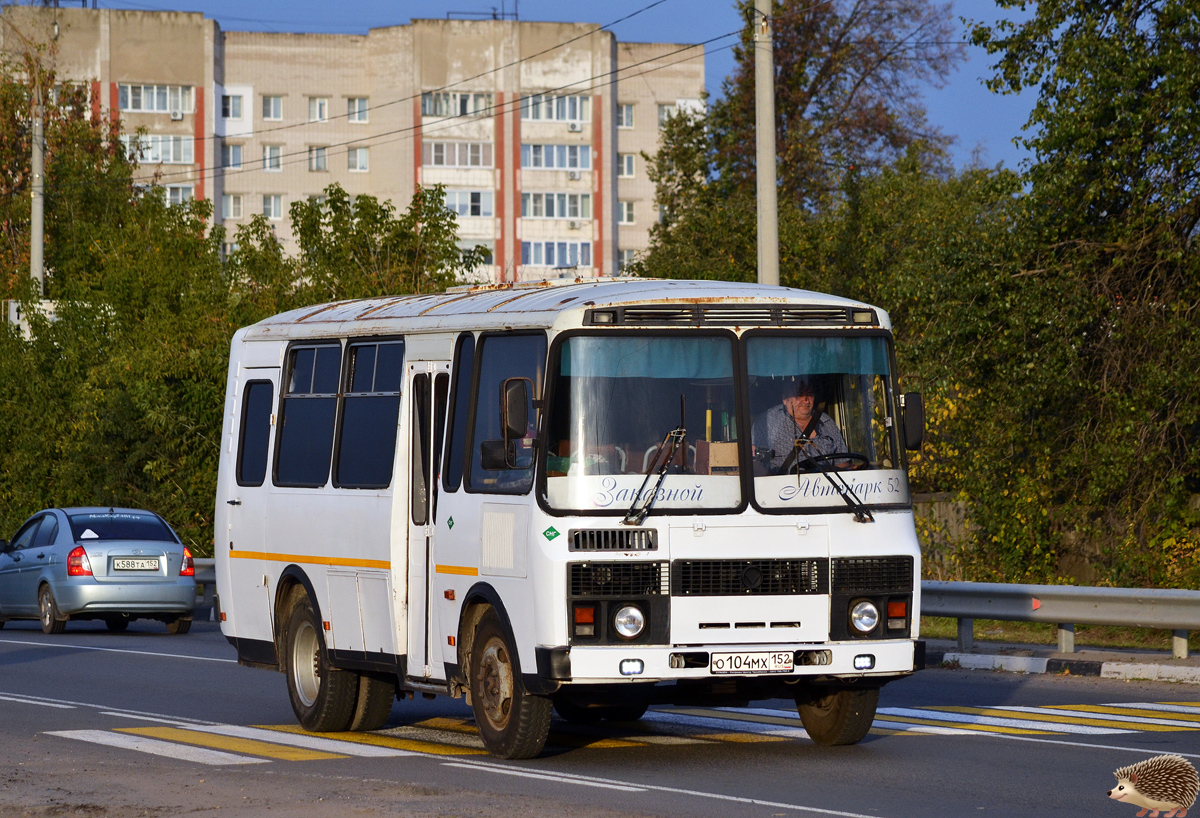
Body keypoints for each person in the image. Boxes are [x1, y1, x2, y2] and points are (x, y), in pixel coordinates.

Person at [752, 378, 847, 473]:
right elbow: (754, 465)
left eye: (809, 394)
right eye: (799, 394)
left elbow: (842, 463)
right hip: (784, 486)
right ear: (785, 399)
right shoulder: (768, 421)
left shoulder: (826, 422)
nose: (806, 400)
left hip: (825, 486)